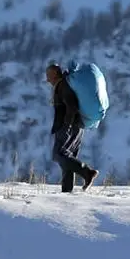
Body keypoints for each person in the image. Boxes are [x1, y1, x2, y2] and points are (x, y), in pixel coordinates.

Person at [46, 63, 98, 192]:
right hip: (77, 126)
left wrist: (67, 125)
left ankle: (87, 172)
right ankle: (67, 192)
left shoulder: (63, 86)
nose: (47, 80)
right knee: (67, 159)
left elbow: (72, 106)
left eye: (48, 76)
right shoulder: (65, 85)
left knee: (58, 154)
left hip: (68, 126)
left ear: (54, 74)